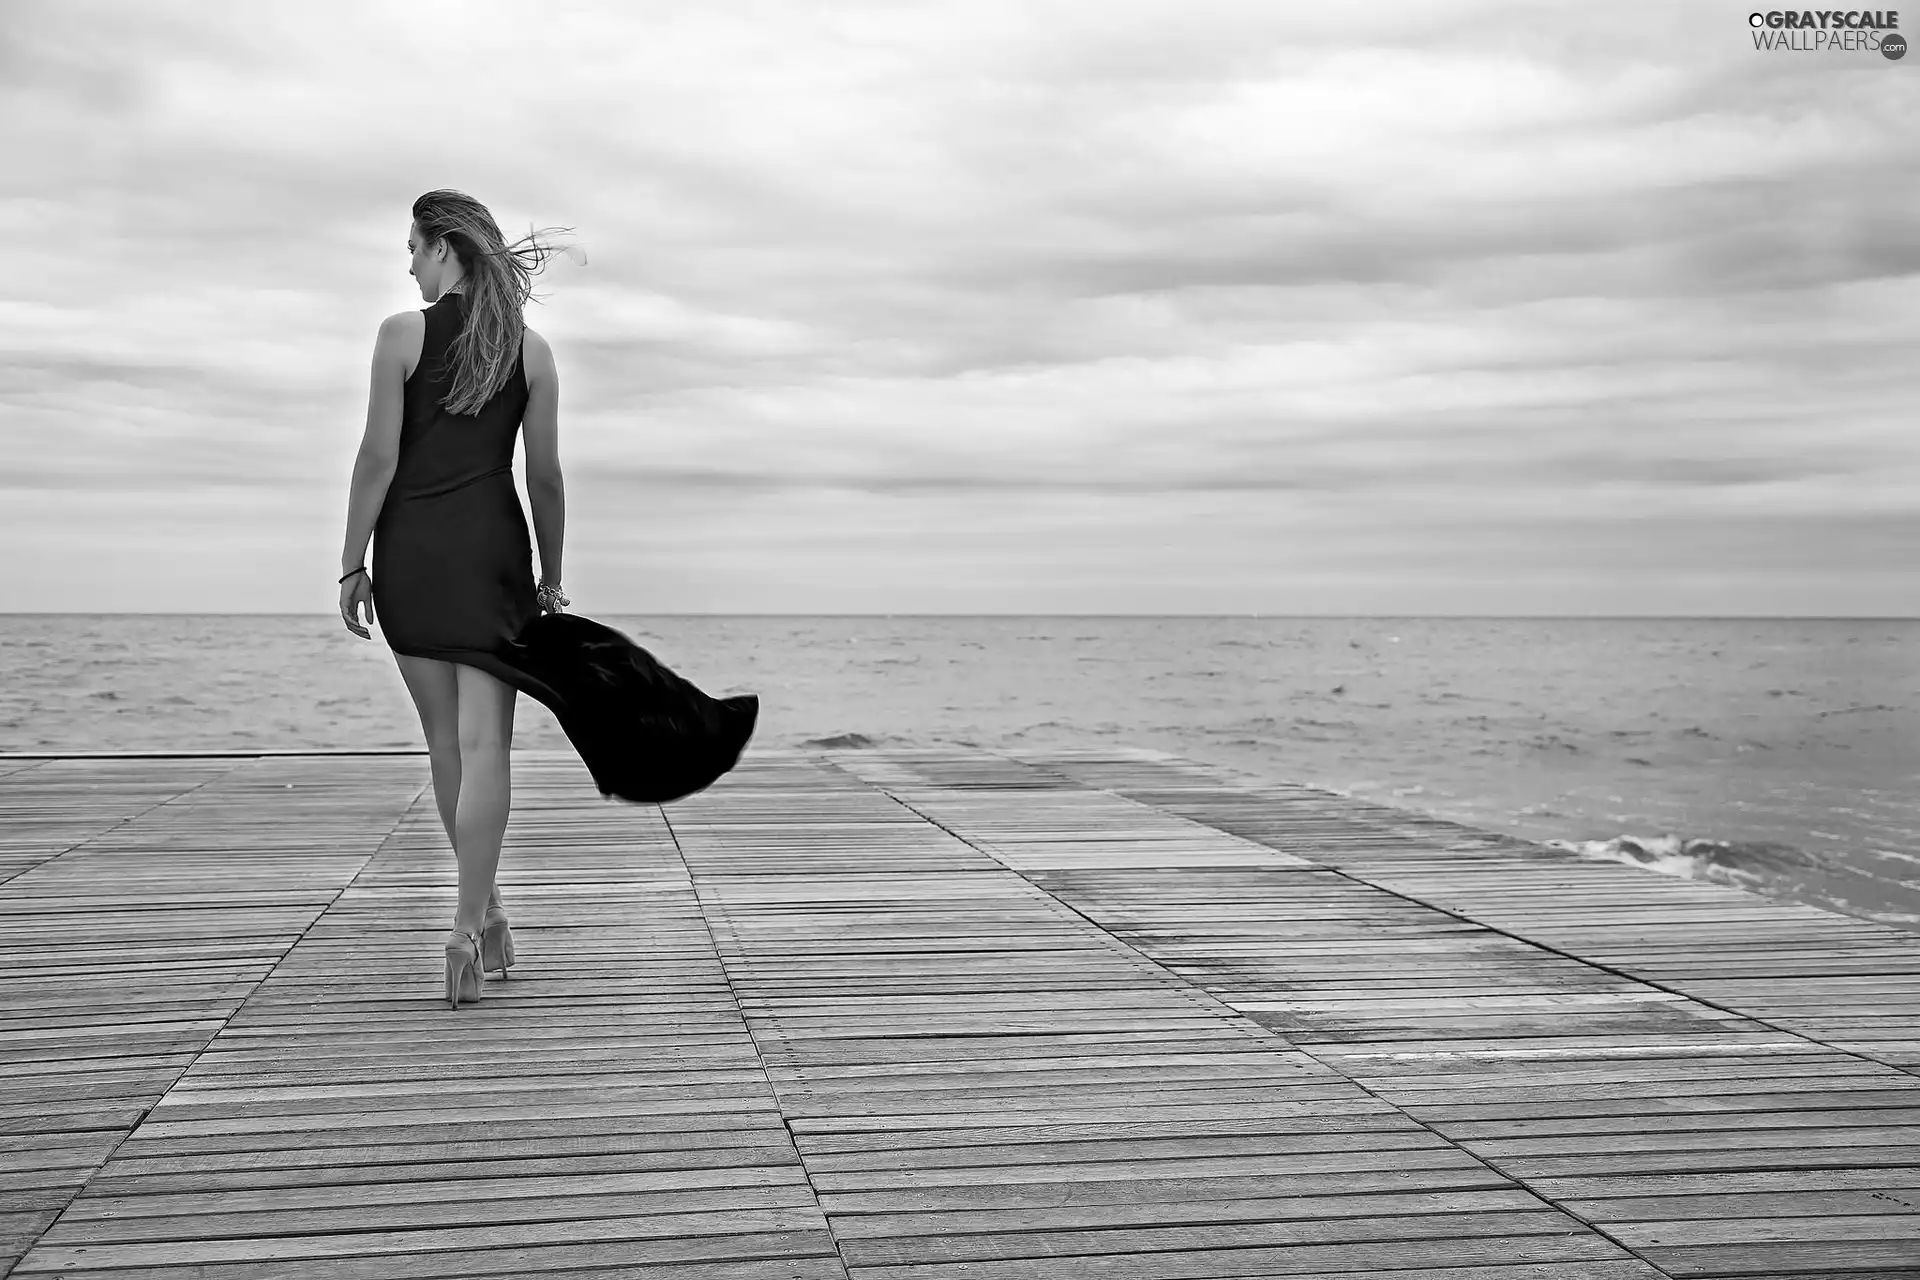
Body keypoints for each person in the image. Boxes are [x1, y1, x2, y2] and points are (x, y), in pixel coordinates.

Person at [337, 189, 571, 1010]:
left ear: (446, 249)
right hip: (495, 561)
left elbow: (376, 457)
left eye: (413, 247)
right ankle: (476, 921)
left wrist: (350, 561)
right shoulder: (532, 352)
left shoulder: (400, 336)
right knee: (488, 749)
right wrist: (551, 573)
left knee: (444, 743)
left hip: (413, 556)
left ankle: (482, 914)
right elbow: (542, 477)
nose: (407, 264)